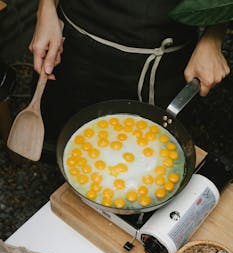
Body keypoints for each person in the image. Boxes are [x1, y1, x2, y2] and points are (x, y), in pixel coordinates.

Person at [29, 0, 230, 147]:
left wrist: (213, 37)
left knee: (152, 153)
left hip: (158, 61)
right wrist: (45, 9)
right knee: (64, 135)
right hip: (74, 39)